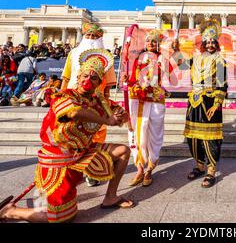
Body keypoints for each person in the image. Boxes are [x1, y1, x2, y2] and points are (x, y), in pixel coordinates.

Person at [0, 49, 135, 223]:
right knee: (60, 218)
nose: (88, 80)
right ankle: (11, 212)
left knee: (123, 151)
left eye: (94, 78)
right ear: (78, 78)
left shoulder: (98, 101)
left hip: (83, 153)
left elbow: (124, 116)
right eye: (85, 76)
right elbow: (74, 112)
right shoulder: (63, 95)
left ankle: (110, 197)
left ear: (99, 83)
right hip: (59, 159)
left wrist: (123, 114)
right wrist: (106, 120)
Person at [172, 19, 227, 188]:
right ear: (203, 43)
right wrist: (176, 51)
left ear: (216, 44)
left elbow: (222, 84)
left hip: (210, 102)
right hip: (194, 101)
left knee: (210, 139)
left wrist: (216, 104)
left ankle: (211, 169)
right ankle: (199, 165)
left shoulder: (219, 60)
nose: (210, 44)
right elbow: (181, 66)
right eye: (207, 41)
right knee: (193, 138)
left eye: (213, 42)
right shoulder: (195, 59)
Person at [61, 22, 117, 186]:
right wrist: (60, 98)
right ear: (84, 37)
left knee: (96, 137)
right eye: (89, 35)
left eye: (96, 36)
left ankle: (92, 171)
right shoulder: (73, 53)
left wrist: (107, 105)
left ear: (100, 38)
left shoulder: (106, 56)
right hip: (74, 100)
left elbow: (107, 85)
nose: (92, 39)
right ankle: (70, 169)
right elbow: (65, 78)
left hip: (96, 103)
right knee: (71, 135)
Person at [126, 29, 175, 187]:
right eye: (148, 40)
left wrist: (176, 54)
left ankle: (150, 168)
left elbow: (175, 74)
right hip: (138, 98)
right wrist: (129, 79)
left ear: (158, 43)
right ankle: (139, 168)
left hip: (156, 98)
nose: (151, 43)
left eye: (154, 41)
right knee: (137, 132)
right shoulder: (138, 57)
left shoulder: (163, 58)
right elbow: (131, 77)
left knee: (154, 134)